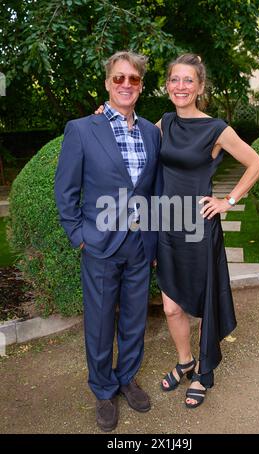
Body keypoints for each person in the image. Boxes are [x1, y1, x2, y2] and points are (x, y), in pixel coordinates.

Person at [55, 51, 161, 431]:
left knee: (134, 320)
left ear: (141, 86)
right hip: (99, 244)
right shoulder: (82, 129)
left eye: (133, 79)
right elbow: (65, 190)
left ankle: (127, 377)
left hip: (139, 246)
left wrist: (152, 239)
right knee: (100, 323)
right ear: (107, 83)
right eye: (119, 78)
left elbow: (152, 190)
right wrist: (79, 236)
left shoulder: (151, 131)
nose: (126, 84)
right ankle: (103, 390)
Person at [155, 53, 259, 408]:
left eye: (188, 80)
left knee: (203, 301)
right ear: (168, 85)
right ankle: (184, 360)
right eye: (175, 79)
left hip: (199, 227)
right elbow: (130, 137)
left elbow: (255, 163)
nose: (180, 86)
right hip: (168, 224)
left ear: (200, 87)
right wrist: (103, 115)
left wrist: (227, 201)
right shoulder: (164, 122)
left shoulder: (216, 128)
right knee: (171, 307)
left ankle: (203, 371)